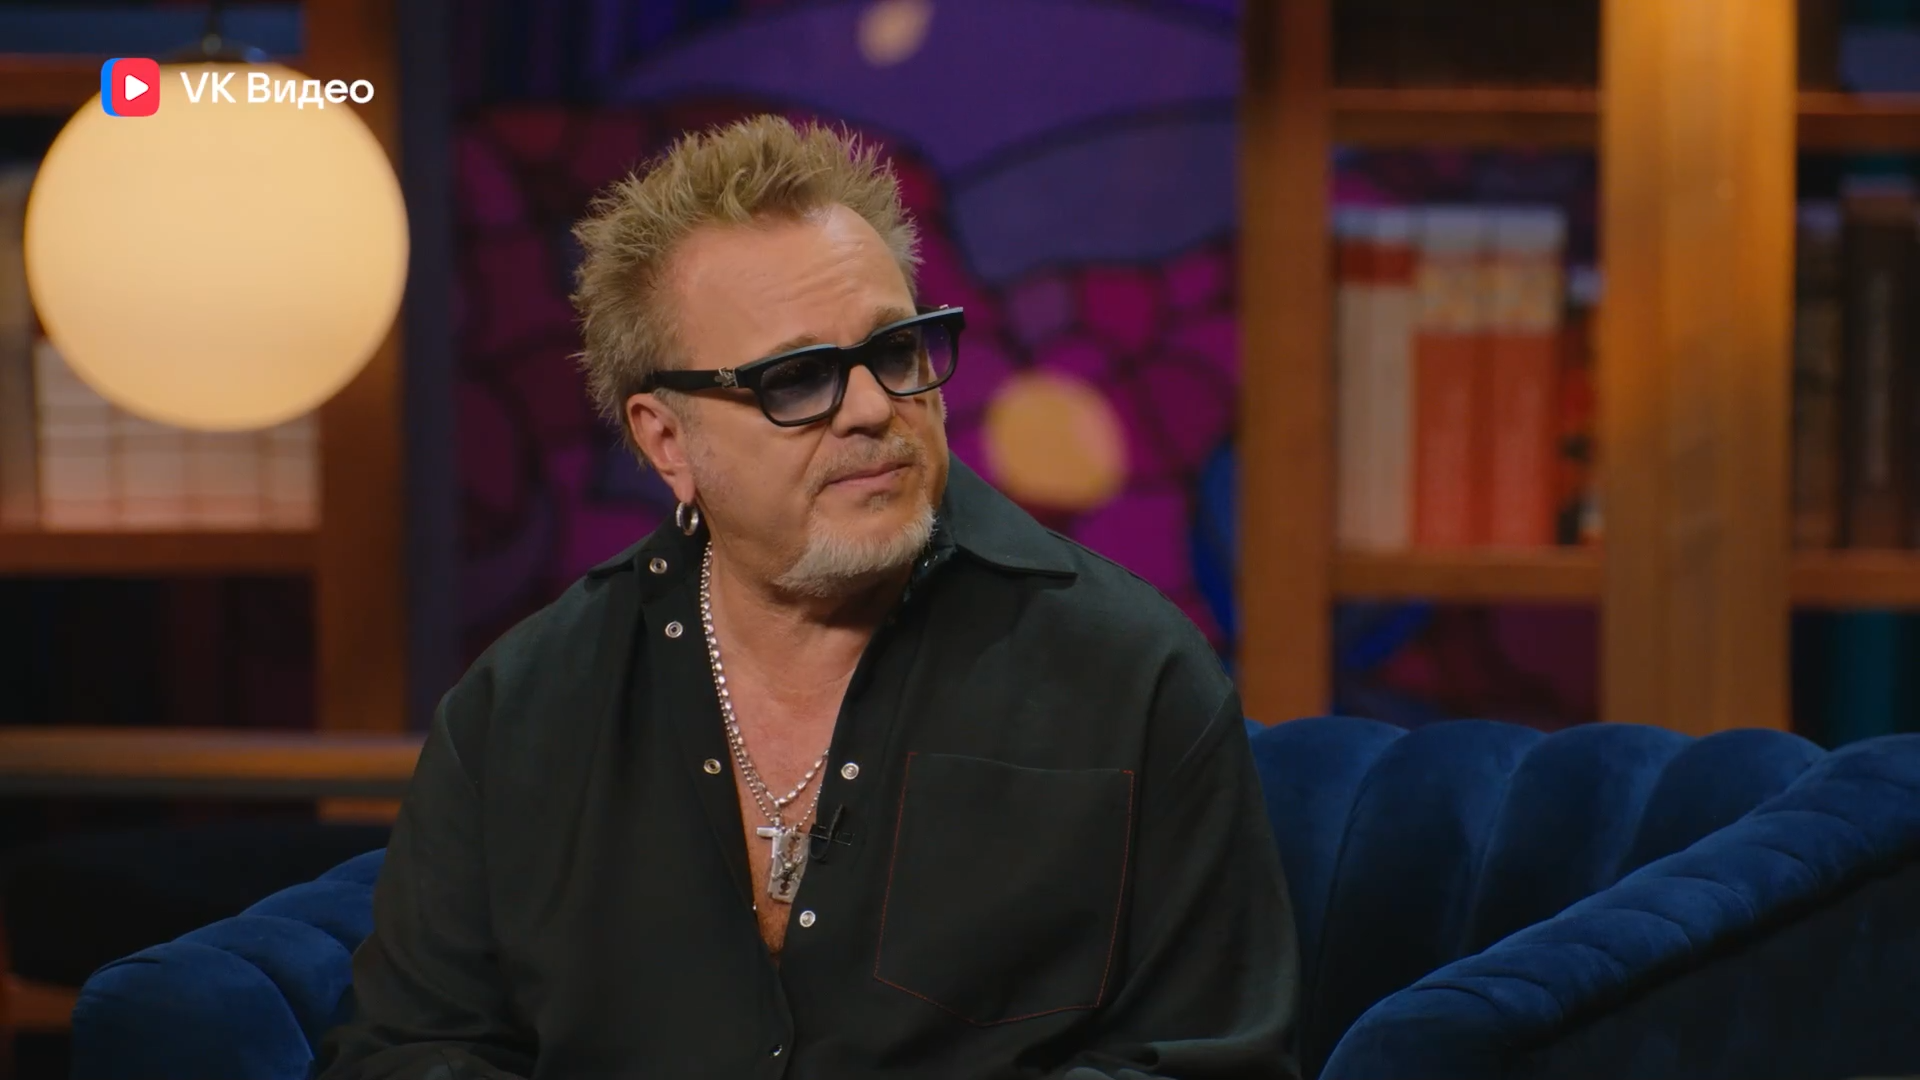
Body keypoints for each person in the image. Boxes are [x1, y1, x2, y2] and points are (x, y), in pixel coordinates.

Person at [314, 115, 1300, 1080]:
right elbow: (406, 1049)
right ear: (666, 440)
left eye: (896, 352)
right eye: (796, 379)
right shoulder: (521, 711)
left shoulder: (1133, 678)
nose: (872, 408)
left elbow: (1211, 1062)